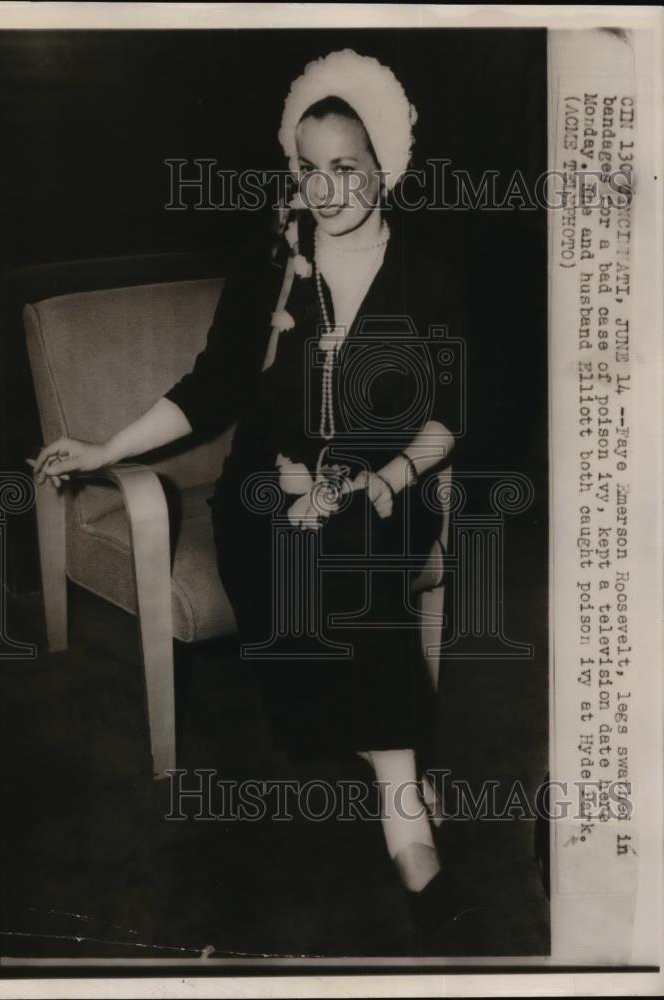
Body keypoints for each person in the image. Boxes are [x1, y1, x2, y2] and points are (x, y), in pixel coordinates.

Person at [31, 49, 461, 930]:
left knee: (357, 546)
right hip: (268, 483)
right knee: (290, 538)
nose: (330, 189)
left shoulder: (431, 276)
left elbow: (449, 417)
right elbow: (211, 385)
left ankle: (399, 793)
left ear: (383, 167)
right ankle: (383, 746)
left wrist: (380, 478)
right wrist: (106, 445)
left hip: (385, 479)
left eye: (348, 167)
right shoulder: (271, 266)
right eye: (311, 170)